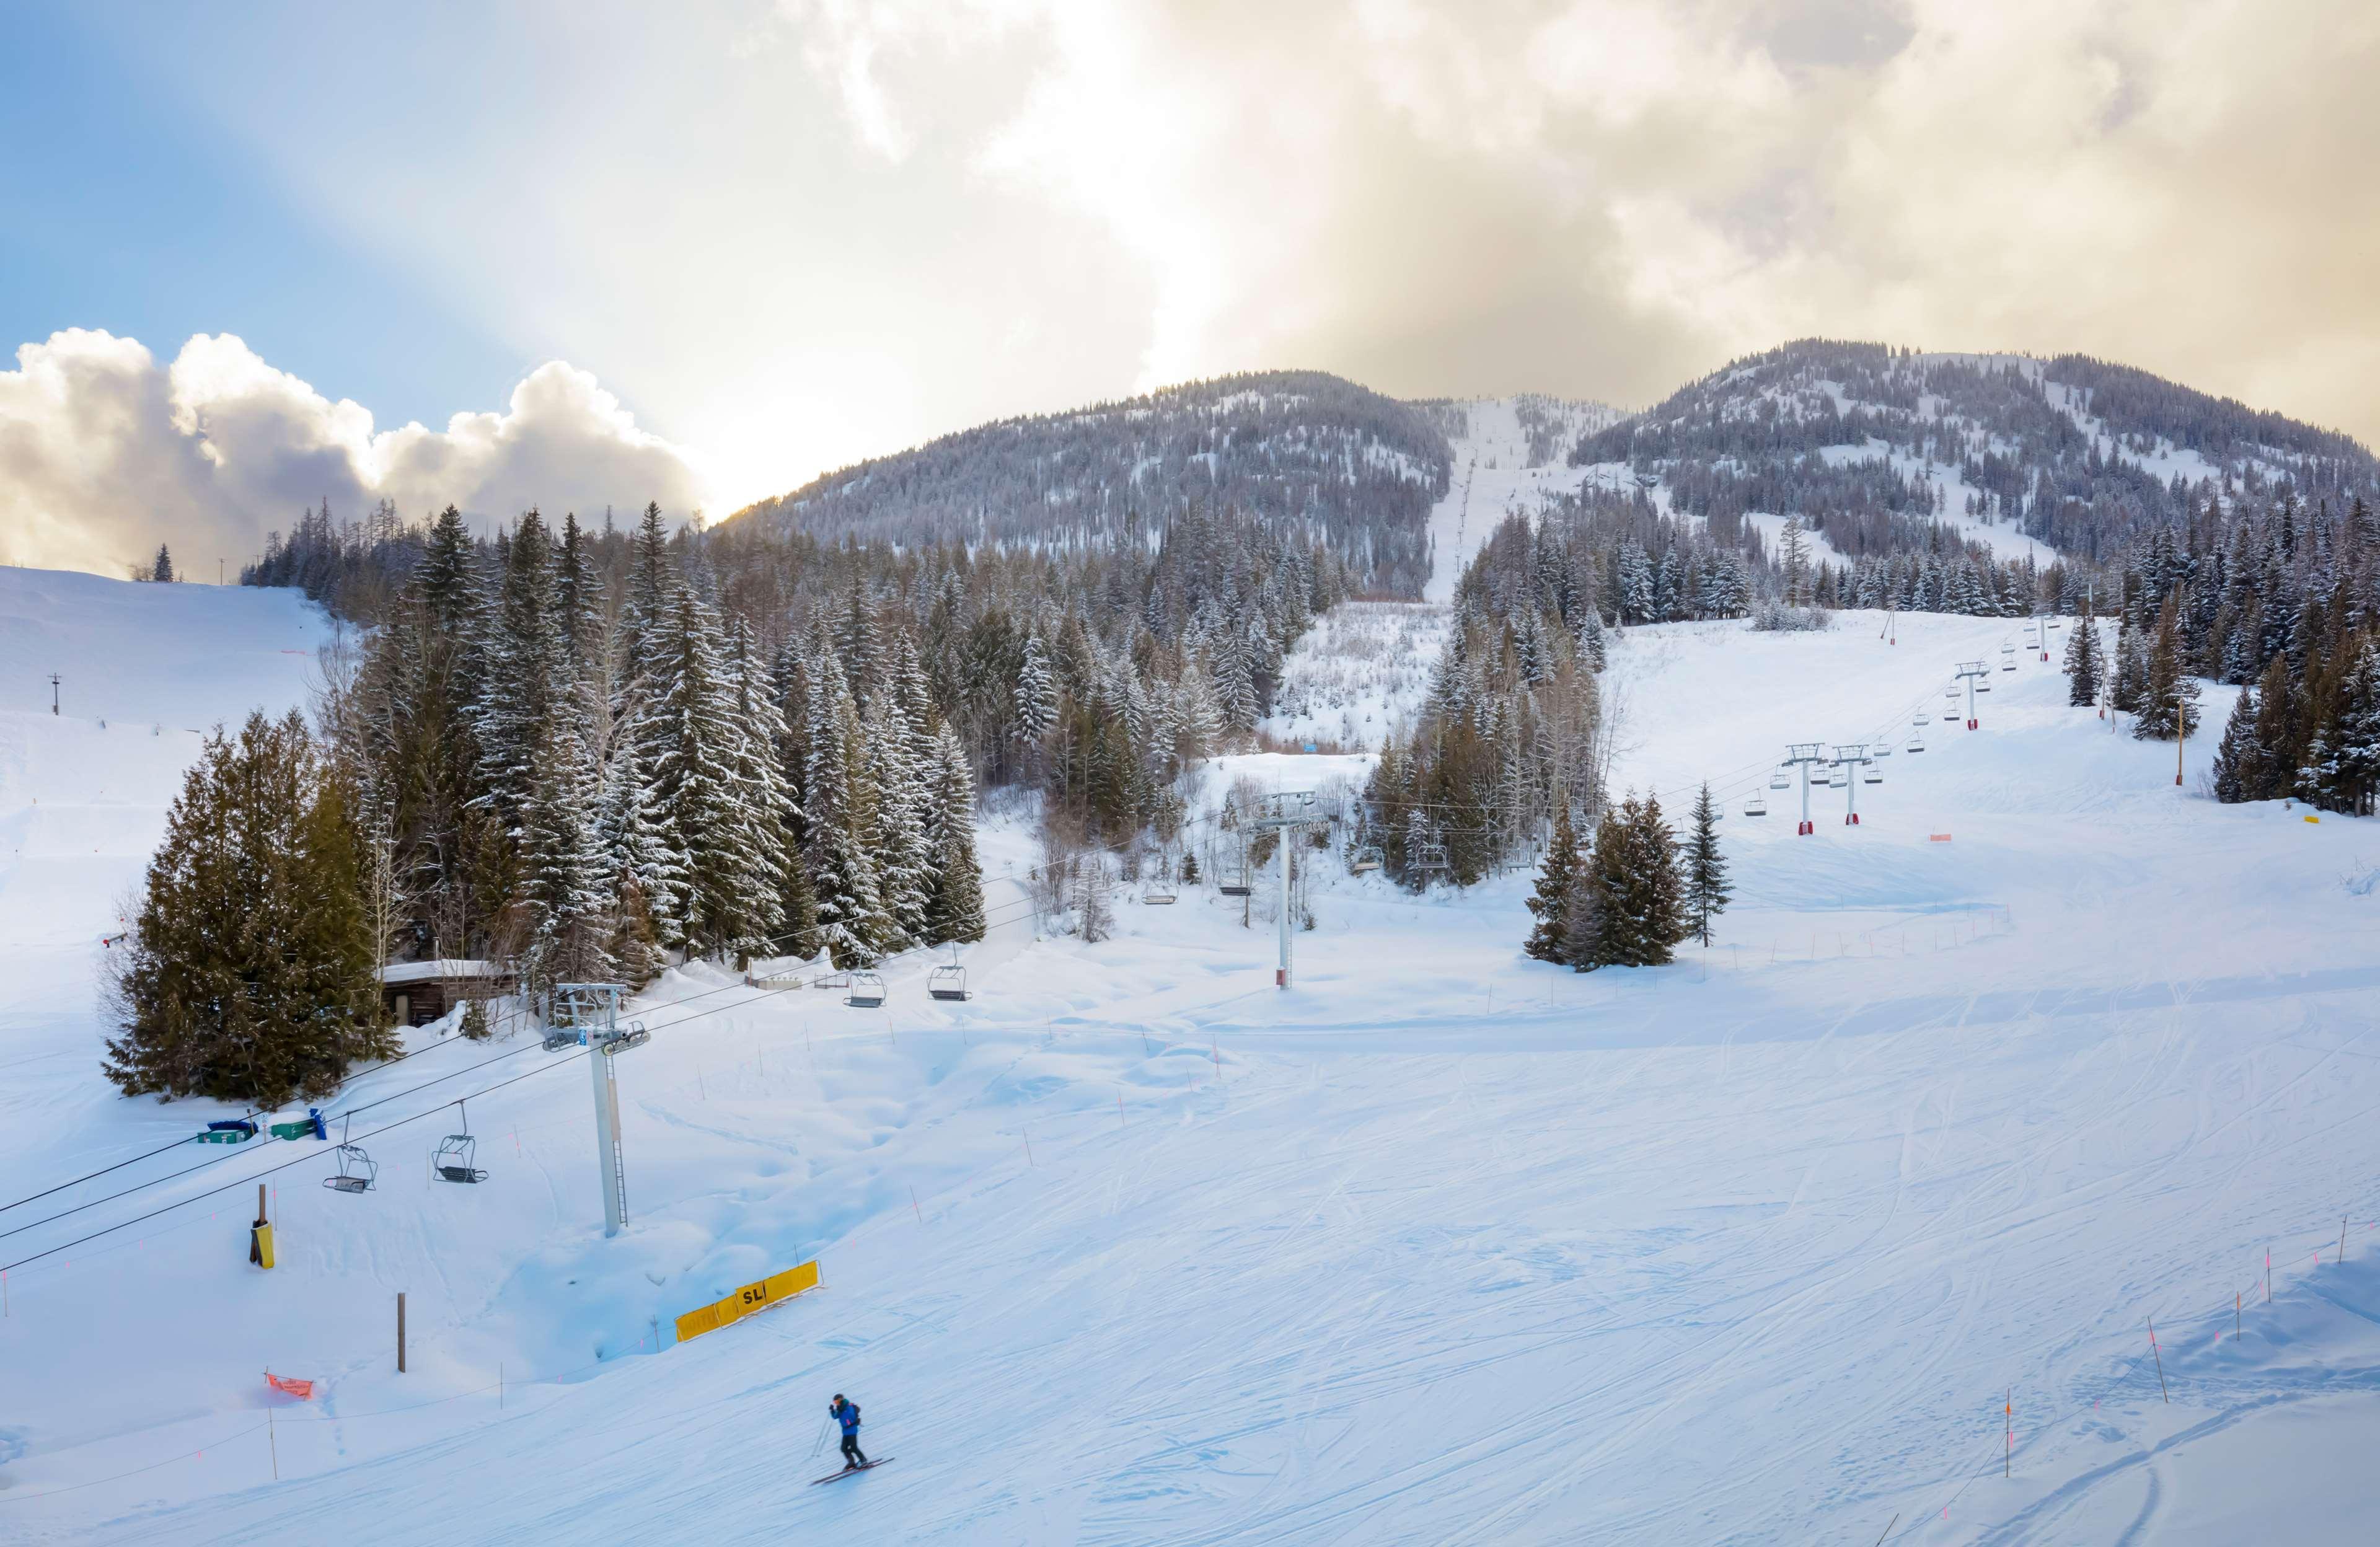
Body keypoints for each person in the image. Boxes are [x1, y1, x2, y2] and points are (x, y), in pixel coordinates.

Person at [829, 1393, 868, 1469]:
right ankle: (851, 1462)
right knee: (843, 1448)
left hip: (852, 1430)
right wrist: (832, 1410)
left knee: (853, 1447)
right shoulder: (840, 1408)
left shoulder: (848, 1407)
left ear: (841, 1400)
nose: (836, 1404)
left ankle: (864, 1460)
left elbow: (850, 1416)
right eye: (835, 1403)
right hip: (846, 1431)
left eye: (837, 1402)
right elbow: (835, 1417)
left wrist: (841, 1411)